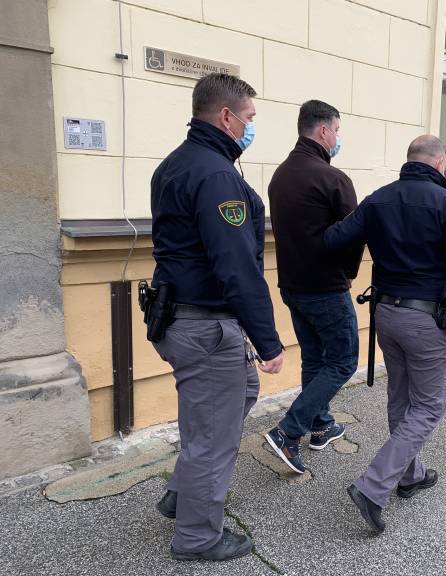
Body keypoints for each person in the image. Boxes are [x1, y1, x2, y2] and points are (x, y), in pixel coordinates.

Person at [324, 135, 446, 534]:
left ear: (410, 161)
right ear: (439, 164)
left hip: (386, 313)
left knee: (401, 397)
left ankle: (410, 475)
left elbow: (335, 240)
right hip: (425, 318)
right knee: (428, 406)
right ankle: (373, 487)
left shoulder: (379, 199)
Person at [149, 73, 284, 561]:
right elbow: (237, 267)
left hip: (180, 317)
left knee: (240, 393)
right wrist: (267, 341)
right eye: (249, 117)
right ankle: (197, 537)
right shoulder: (217, 176)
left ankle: (182, 492)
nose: (252, 126)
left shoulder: (175, 164)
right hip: (205, 324)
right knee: (213, 436)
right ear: (226, 116)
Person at [264, 100, 363, 474]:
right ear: (323, 130)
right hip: (325, 288)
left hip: (293, 286)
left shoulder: (280, 176)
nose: (337, 137)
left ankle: (321, 425)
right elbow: (353, 235)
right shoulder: (332, 178)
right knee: (343, 361)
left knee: (316, 359)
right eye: (336, 130)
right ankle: (288, 431)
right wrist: (348, 274)